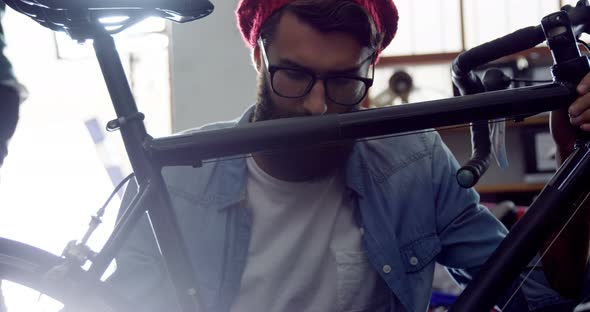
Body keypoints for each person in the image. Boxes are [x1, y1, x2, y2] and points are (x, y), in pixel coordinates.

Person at [107, 0, 590, 311]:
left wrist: (575, 155)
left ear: (371, 69)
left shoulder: (415, 163)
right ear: (259, 58)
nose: (317, 105)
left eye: (343, 82)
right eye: (293, 75)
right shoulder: (176, 184)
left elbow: (541, 298)